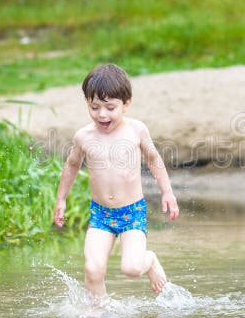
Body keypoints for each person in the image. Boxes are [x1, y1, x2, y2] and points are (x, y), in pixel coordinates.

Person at [53, 64, 179, 297]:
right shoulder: (84, 137)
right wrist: (61, 199)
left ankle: (149, 261)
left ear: (126, 103)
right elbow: (71, 165)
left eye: (110, 107)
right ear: (87, 102)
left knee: (131, 268)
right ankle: (99, 314)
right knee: (93, 269)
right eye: (94, 107)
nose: (102, 115)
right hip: (101, 214)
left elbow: (154, 159)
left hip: (132, 213)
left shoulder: (136, 131)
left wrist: (167, 192)